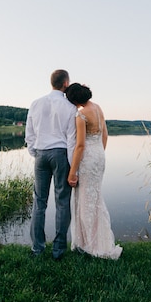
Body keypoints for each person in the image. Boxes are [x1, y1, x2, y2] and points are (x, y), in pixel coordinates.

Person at [65, 83, 122, 260]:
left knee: (85, 200)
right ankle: (97, 241)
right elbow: (105, 135)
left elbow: (80, 146)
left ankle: (89, 244)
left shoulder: (81, 115)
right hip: (99, 156)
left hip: (87, 159)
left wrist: (72, 172)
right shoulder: (97, 108)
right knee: (95, 197)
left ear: (74, 100)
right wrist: (99, 153)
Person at [25, 69, 77, 260]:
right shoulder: (70, 108)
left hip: (41, 154)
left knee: (39, 202)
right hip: (60, 153)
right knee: (62, 202)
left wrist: (35, 151)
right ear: (65, 83)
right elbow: (72, 141)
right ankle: (58, 250)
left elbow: (29, 133)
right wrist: (73, 167)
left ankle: (37, 249)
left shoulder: (36, 103)